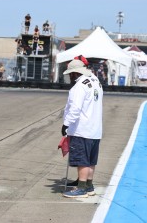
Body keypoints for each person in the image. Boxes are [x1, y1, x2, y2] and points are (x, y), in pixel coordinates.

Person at [61, 59, 103, 198]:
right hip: (95, 129)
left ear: (74, 73)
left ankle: (81, 188)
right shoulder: (96, 81)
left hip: (82, 129)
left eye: (70, 74)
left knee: (82, 160)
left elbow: (75, 108)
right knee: (91, 160)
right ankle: (89, 186)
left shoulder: (79, 86)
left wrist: (66, 124)